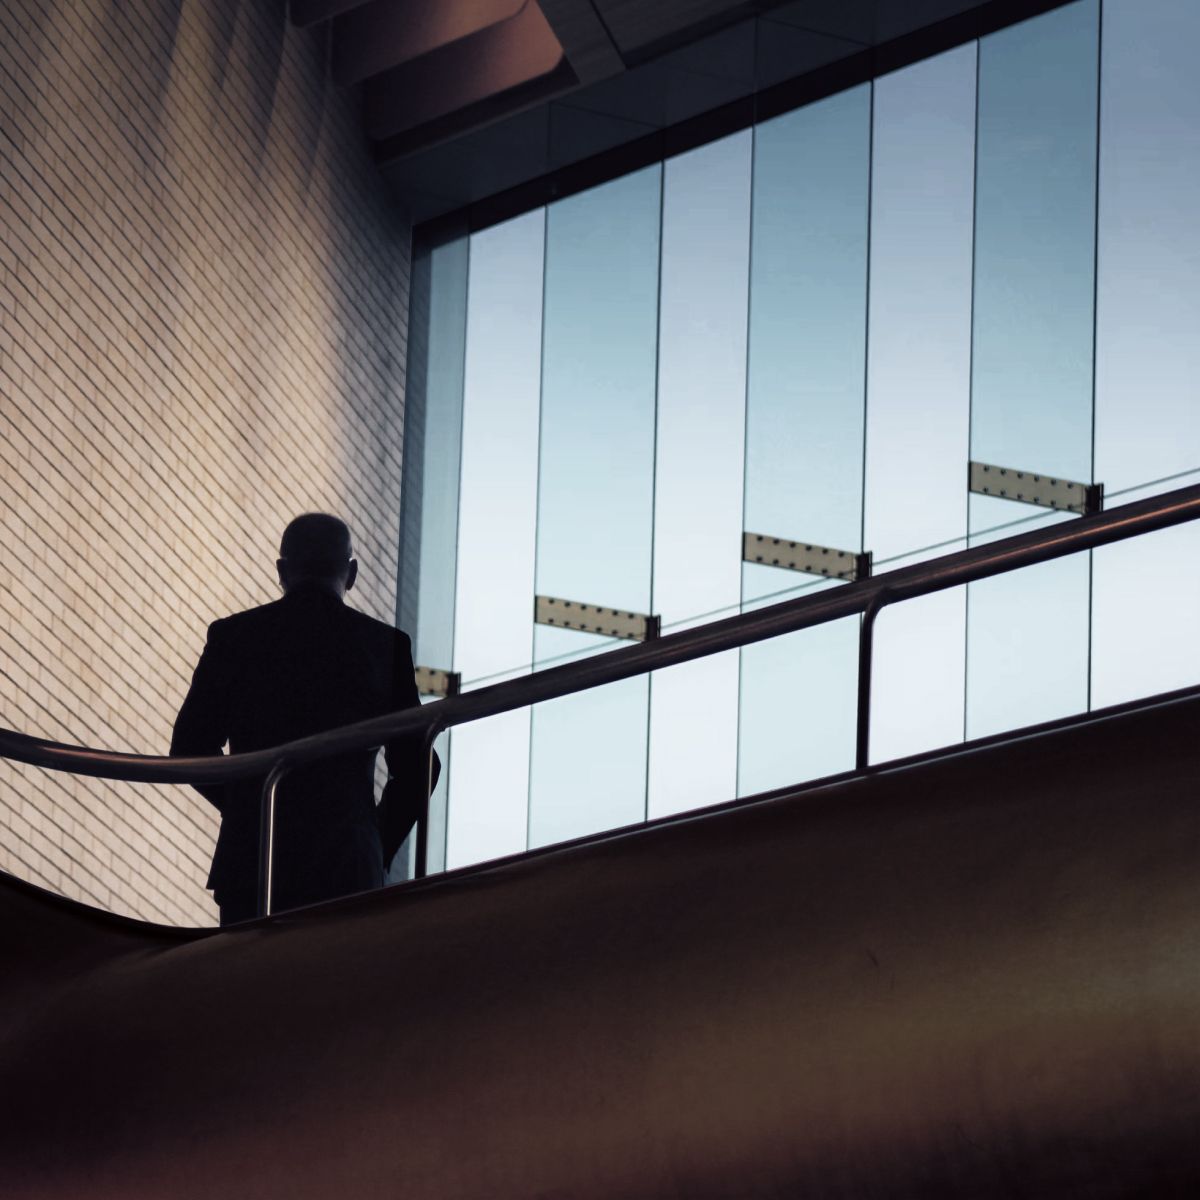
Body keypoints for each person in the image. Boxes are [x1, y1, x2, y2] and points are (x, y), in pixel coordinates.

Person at [171, 513, 433, 926]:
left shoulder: (235, 636)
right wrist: (373, 839)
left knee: (250, 985)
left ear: (281, 570)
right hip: (346, 862)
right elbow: (420, 766)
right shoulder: (384, 647)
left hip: (255, 860)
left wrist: (251, 806)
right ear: (352, 573)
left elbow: (189, 749)